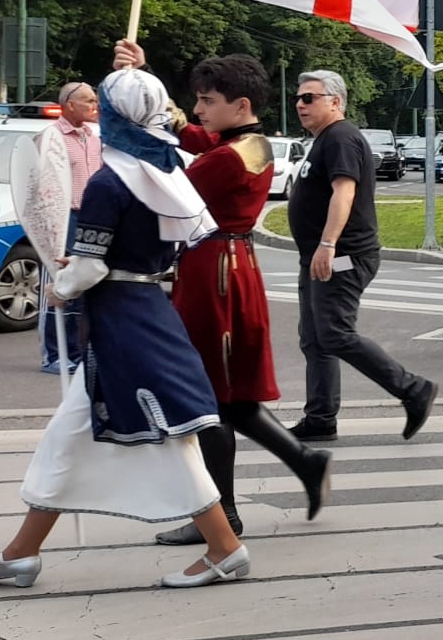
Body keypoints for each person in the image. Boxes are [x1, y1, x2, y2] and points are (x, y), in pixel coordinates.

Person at [0, 69, 248, 590]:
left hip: (124, 323)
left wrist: (62, 281)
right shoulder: (164, 167)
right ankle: (20, 554)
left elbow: (89, 269)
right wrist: (79, 268)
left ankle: (225, 548)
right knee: (70, 436)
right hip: (145, 309)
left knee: (167, 439)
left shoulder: (111, 179)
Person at [112, 39, 333, 544]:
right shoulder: (242, 144)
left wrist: (126, 105)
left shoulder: (233, 156)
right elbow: (188, 133)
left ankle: (222, 514)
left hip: (217, 273)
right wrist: (144, 78)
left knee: (206, 399)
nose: (198, 110)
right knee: (229, 399)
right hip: (224, 267)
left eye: (208, 100)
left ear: (241, 106)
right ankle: (304, 462)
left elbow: (166, 178)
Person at [286, 70, 439, 441]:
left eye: (310, 97)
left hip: (343, 255)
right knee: (315, 338)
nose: (300, 104)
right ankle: (321, 417)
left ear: (336, 101)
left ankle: (412, 389)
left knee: (334, 333)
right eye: (299, 97)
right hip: (321, 255)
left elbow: (345, 193)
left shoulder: (340, 137)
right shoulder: (325, 139)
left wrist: (327, 245)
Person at [38, 80, 101, 375]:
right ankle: (54, 354)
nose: (94, 105)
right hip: (64, 218)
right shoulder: (51, 137)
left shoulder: (94, 137)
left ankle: (78, 352)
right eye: (88, 100)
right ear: (70, 104)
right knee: (61, 285)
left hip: (90, 217)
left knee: (83, 285)